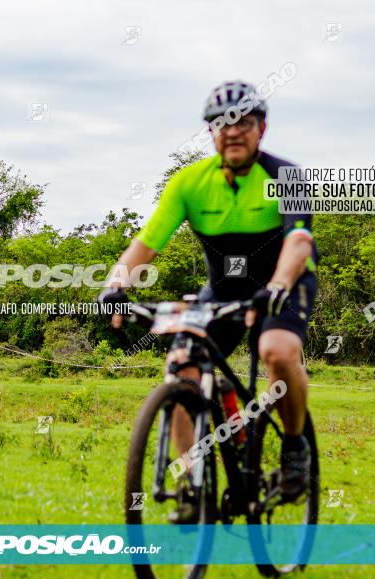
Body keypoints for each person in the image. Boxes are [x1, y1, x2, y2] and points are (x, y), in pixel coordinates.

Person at [100, 80, 318, 503]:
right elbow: (145, 244)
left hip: (284, 282)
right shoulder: (188, 183)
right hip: (221, 290)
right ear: (211, 133)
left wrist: (277, 285)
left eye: (244, 122)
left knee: (276, 351)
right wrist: (115, 285)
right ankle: (192, 484)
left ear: (262, 129)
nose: (232, 130)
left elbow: (299, 241)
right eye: (222, 123)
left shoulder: (285, 176)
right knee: (182, 367)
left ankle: (295, 449)